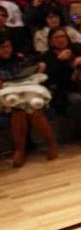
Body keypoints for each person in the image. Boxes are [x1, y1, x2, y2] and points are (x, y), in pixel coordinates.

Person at [0, 33, 57, 167]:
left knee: (34, 110)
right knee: (18, 111)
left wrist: (39, 68)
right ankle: (20, 150)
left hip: (30, 93)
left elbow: (34, 71)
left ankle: (51, 143)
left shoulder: (20, 58)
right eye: (1, 47)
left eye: (7, 46)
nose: (5, 50)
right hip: (10, 98)